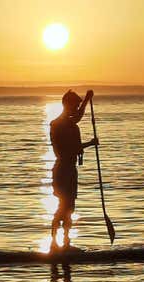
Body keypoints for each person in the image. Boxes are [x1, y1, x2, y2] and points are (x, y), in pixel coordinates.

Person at [49, 89, 98, 250]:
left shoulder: (69, 121)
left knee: (70, 207)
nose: (77, 109)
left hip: (70, 170)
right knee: (64, 206)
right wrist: (90, 144)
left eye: (78, 106)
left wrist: (86, 100)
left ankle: (66, 242)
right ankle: (55, 242)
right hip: (62, 171)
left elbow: (77, 117)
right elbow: (68, 149)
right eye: (75, 105)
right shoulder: (58, 124)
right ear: (67, 105)